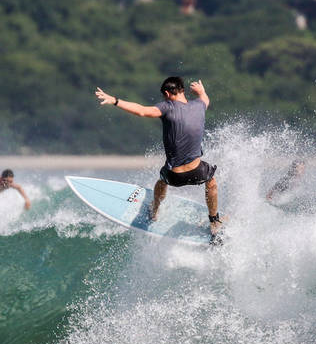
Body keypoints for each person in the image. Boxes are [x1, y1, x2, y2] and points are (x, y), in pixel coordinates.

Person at [94, 76, 222, 240]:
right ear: (182, 90)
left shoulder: (167, 107)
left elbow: (141, 110)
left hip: (174, 175)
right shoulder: (199, 105)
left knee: (162, 181)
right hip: (196, 171)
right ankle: (214, 221)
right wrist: (201, 91)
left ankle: (154, 210)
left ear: (167, 94)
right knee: (211, 181)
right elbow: (205, 98)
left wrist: (115, 100)